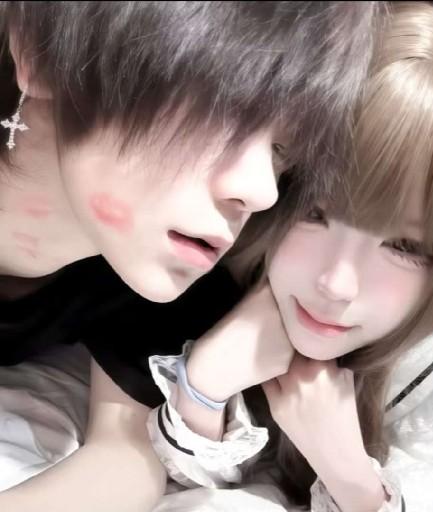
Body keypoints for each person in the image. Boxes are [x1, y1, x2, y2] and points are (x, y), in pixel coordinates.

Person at [0, 2, 384, 512]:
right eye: (224, 109)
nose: (262, 191)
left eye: (282, 150)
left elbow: (125, 456)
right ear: (39, 52)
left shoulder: (159, 266)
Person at [148, 3, 433, 511]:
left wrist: (345, 469)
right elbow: (175, 470)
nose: (336, 284)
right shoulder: (229, 234)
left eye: (405, 247)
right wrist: (203, 386)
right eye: (315, 212)